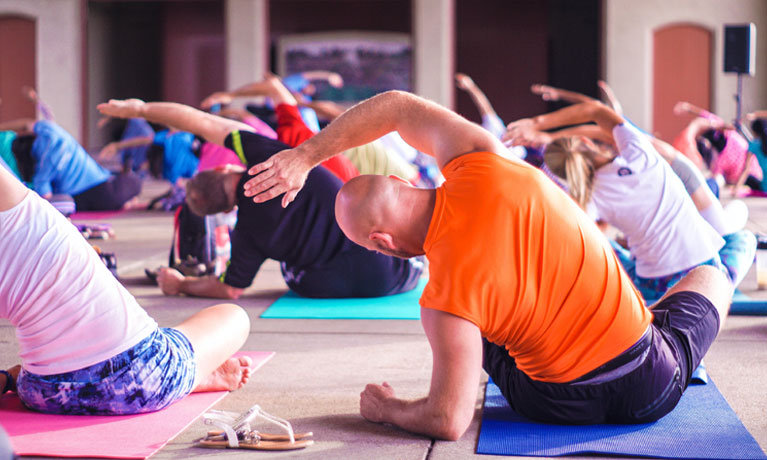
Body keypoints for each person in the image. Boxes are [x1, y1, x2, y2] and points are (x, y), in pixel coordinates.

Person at [238, 89, 733, 439]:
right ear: (407, 184)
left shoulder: (442, 303)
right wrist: (304, 156)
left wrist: (387, 409)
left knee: (475, 324)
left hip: (552, 405)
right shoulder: (482, 158)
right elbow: (397, 106)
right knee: (711, 274)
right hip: (650, 383)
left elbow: (447, 422)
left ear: (382, 241)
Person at [97, 98, 424, 300]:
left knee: (290, 271)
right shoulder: (267, 157)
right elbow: (203, 121)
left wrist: (182, 284)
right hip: (395, 269)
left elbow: (229, 289)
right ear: (226, 166)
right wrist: (141, 109)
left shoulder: (247, 235)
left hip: (332, 287)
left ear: (225, 210)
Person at [0, 161, 252, 415]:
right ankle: (192, 373)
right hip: (139, 380)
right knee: (234, 317)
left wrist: (9, 380)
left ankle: (190, 370)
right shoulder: (18, 210)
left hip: (44, 394)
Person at [0, 118, 142, 211]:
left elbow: (45, 200)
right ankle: (123, 199)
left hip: (94, 187)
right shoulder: (50, 131)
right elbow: (26, 123)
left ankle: (121, 200)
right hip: (96, 184)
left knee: (131, 183)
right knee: (134, 181)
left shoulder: (44, 168)